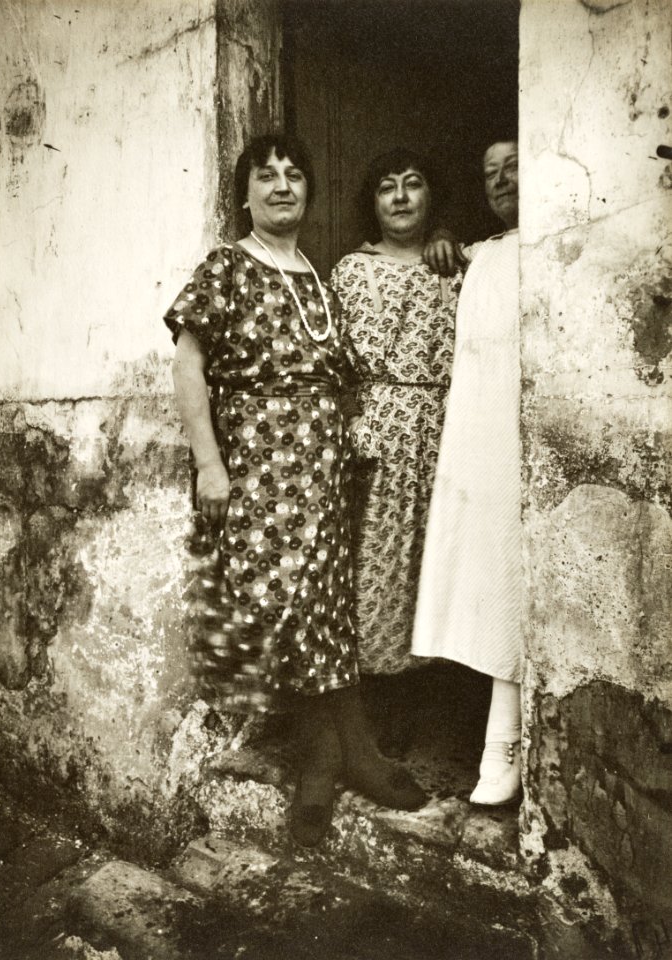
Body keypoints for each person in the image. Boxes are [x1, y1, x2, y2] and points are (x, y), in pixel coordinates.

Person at [164, 133, 427, 848]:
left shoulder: (318, 276)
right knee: (282, 606)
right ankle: (334, 757)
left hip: (325, 470)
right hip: (260, 470)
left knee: (326, 608)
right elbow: (190, 368)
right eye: (266, 176)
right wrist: (209, 465)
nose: (283, 187)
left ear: (307, 191)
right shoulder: (225, 267)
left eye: (294, 176)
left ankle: (337, 758)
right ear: (244, 194)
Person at [329, 150, 460, 751]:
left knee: (433, 568)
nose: (402, 197)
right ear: (373, 203)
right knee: (371, 566)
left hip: (445, 435)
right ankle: (372, 710)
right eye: (388, 188)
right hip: (374, 434)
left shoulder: (456, 265)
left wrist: (449, 242)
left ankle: (428, 703)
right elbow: (330, 363)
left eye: (414, 185)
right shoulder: (352, 271)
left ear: (431, 198)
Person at [412, 138, 522, 806]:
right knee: (488, 576)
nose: (502, 179)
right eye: (490, 173)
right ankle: (498, 741)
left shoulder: (562, 242)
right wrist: (447, 239)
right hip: (483, 439)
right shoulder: (485, 254)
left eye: (514, 165)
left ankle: (505, 744)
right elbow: (456, 257)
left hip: (534, 439)